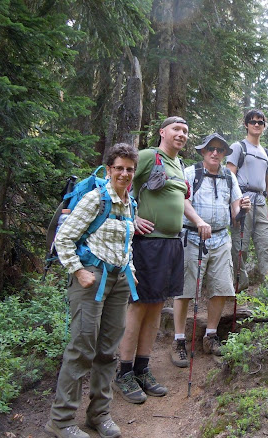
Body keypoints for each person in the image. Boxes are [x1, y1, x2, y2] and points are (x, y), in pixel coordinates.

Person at [46, 143, 139, 438]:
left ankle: (99, 414)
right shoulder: (95, 199)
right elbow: (64, 239)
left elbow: (126, 242)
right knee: (81, 350)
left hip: (119, 280)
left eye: (130, 169)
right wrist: (78, 270)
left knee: (108, 351)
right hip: (91, 279)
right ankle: (60, 422)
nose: (124, 173)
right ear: (109, 169)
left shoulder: (130, 202)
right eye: (119, 168)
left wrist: (131, 270)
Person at [114, 116, 189, 404]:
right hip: (147, 245)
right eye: (176, 129)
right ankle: (124, 372)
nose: (181, 134)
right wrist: (132, 218)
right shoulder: (148, 156)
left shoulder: (178, 166)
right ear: (162, 132)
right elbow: (120, 185)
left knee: (156, 307)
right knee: (138, 307)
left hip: (172, 244)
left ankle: (143, 369)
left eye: (184, 131)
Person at [171, 133, 251, 366]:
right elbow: (182, 202)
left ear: (225, 153)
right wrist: (198, 221)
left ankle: (211, 335)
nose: (215, 153)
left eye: (219, 149)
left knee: (221, 287)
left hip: (220, 239)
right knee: (185, 288)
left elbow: (236, 215)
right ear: (203, 152)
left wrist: (243, 208)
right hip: (192, 237)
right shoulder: (190, 173)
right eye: (210, 149)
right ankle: (178, 340)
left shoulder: (229, 177)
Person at [226, 109, 268, 289]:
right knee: (240, 246)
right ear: (246, 124)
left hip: (261, 203)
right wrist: (234, 205)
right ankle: (240, 285)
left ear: (264, 126)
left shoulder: (266, 153)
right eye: (253, 121)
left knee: (267, 245)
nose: (257, 125)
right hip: (242, 200)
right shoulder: (238, 147)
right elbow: (229, 177)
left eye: (260, 122)